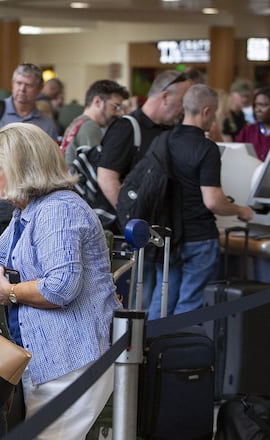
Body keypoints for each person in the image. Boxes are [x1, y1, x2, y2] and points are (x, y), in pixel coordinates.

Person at [0, 122, 119, 439]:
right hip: (53, 359)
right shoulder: (29, 211)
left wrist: (10, 292)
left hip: (71, 360)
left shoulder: (58, 211)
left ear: (22, 169)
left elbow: (60, 287)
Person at [148, 85, 254, 320]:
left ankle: (152, 351)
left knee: (162, 298)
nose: (214, 118)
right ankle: (181, 352)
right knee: (190, 304)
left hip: (167, 236)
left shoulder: (162, 141)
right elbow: (213, 201)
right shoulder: (206, 149)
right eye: (214, 112)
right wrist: (240, 210)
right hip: (198, 237)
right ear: (206, 111)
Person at [96, 69, 191, 310]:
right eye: (181, 102)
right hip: (131, 238)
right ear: (165, 97)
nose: (183, 110)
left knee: (154, 306)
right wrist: (132, 223)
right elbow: (107, 177)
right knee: (135, 305)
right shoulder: (127, 128)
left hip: (158, 238)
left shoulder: (170, 132)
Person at [0, 63, 58, 240]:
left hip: (29, 196)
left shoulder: (46, 124)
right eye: (18, 83)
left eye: (28, 85)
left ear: (39, 89)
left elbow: (48, 163)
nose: (21, 89)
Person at [62, 79, 129, 167]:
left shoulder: (78, 121)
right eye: (116, 107)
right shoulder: (90, 127)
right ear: (97, 102)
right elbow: (96, 169)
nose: (119, 113)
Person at [235, 86, 270, 162]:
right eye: (255, 105)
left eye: (263, 105)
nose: (257, 109)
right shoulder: (248, 131)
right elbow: (236, 154)